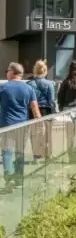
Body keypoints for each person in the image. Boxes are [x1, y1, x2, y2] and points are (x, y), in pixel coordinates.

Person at [0, 62, 41, 190]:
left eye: (7, 70)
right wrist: (40, 123)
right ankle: (18, 179)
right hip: (23, 125)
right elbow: (35, 108)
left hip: (7, 124)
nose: (6, 73)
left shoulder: (3, 88)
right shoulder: (29, 88)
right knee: (20, 152)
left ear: (12, 72)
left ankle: (9, 177)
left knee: (7, 152)